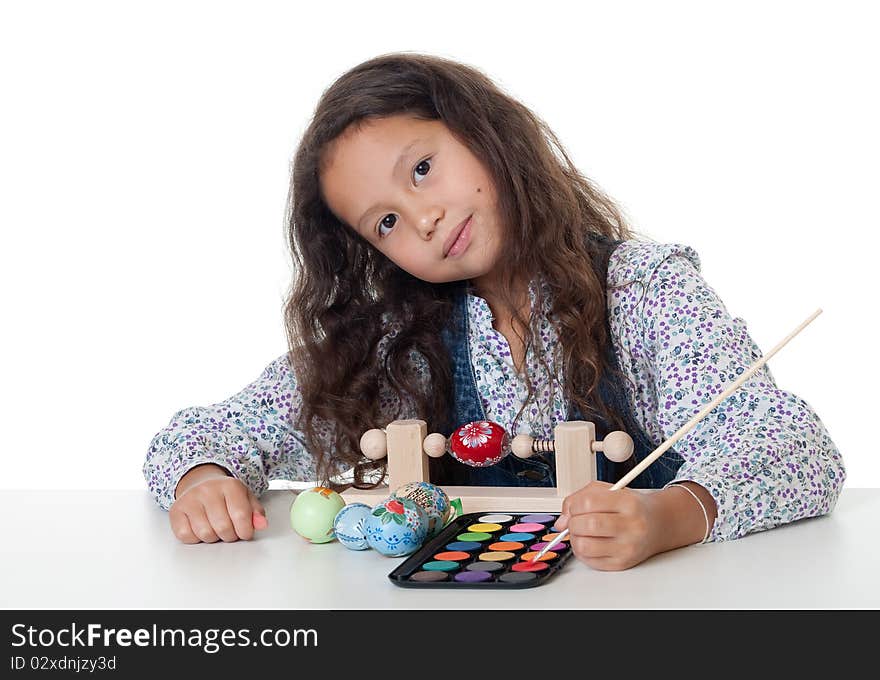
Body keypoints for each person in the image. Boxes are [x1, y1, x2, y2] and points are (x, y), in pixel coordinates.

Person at [144, 52, 845, 570]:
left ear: (484, 133)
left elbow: (797, 451)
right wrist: (204, 478)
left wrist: (670, 515)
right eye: (384, 222)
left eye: (422, 169)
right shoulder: (398, 344)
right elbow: (212, 431)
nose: (423, 218)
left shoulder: (644, 294)